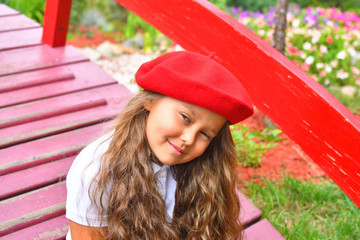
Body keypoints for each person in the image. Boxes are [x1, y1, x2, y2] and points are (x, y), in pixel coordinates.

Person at [66, 51, 254, 240]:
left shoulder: (203, 169)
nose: (189, 139)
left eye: (205, 134)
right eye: (185, 118)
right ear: (150, 101)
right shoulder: (95, 170)